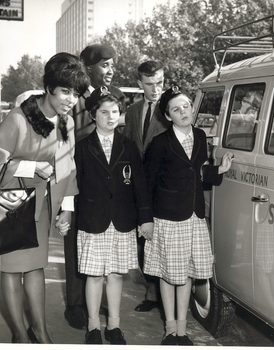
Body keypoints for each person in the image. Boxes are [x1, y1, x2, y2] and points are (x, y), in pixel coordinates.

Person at [0, 52, 89, 343]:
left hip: (40, 205)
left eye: (76, 93)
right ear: (49, 86)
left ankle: (40, 331)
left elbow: (68, 166)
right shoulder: (18, 118)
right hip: (9, 203)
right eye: (65, 91)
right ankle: (19, 332)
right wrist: (33, 166)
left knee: (35, 266)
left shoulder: (66, 123)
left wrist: (66, 207)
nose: (71, 99)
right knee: (12, 268)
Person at [143, 86, 233, 345]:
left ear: (192, 108)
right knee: (168, 275)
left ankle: (182, 331)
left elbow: (198, 175)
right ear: (168, 116)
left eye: (186, 106)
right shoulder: (160, 143)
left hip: (193, 216)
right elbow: (147, 184)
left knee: (187, 274)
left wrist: (220, 170)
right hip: (168, 217)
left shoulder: (200, 135)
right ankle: (169, 330)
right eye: (175, 109)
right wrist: (145, 219)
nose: (183, 112)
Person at [74, 86, 154, 344]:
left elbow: (139, 183)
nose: (111, 117)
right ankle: (94, 326)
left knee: (116, 274)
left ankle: (114, 326)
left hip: (122, 220)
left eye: (115, 112)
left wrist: (145, 217)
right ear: (93, 115)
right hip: (93, 219)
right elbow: (74, 183)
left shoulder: (128, 146)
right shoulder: (82, 147)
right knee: (95, 274)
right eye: (104, 112)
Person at [65, 43, 125, 330]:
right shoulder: (73, 101)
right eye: (105, 65)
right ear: (87, 69)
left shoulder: (115, 99)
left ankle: (99, 301)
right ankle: (76, 304)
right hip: (78, 187)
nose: (111, 70)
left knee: (106, 250)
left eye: (112, 64)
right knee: (77, 247)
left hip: (108, 190)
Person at [123, 60, 171, 312]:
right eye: (150, 84)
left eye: (160, 83)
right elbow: (130, 148)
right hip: (139, 187)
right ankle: (151, 294)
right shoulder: (132, 111)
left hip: (164, 187)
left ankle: (165, 297)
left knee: (163, 240)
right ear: (139, 84)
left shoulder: (171, 108)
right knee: (144, 240)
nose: (156, 89)